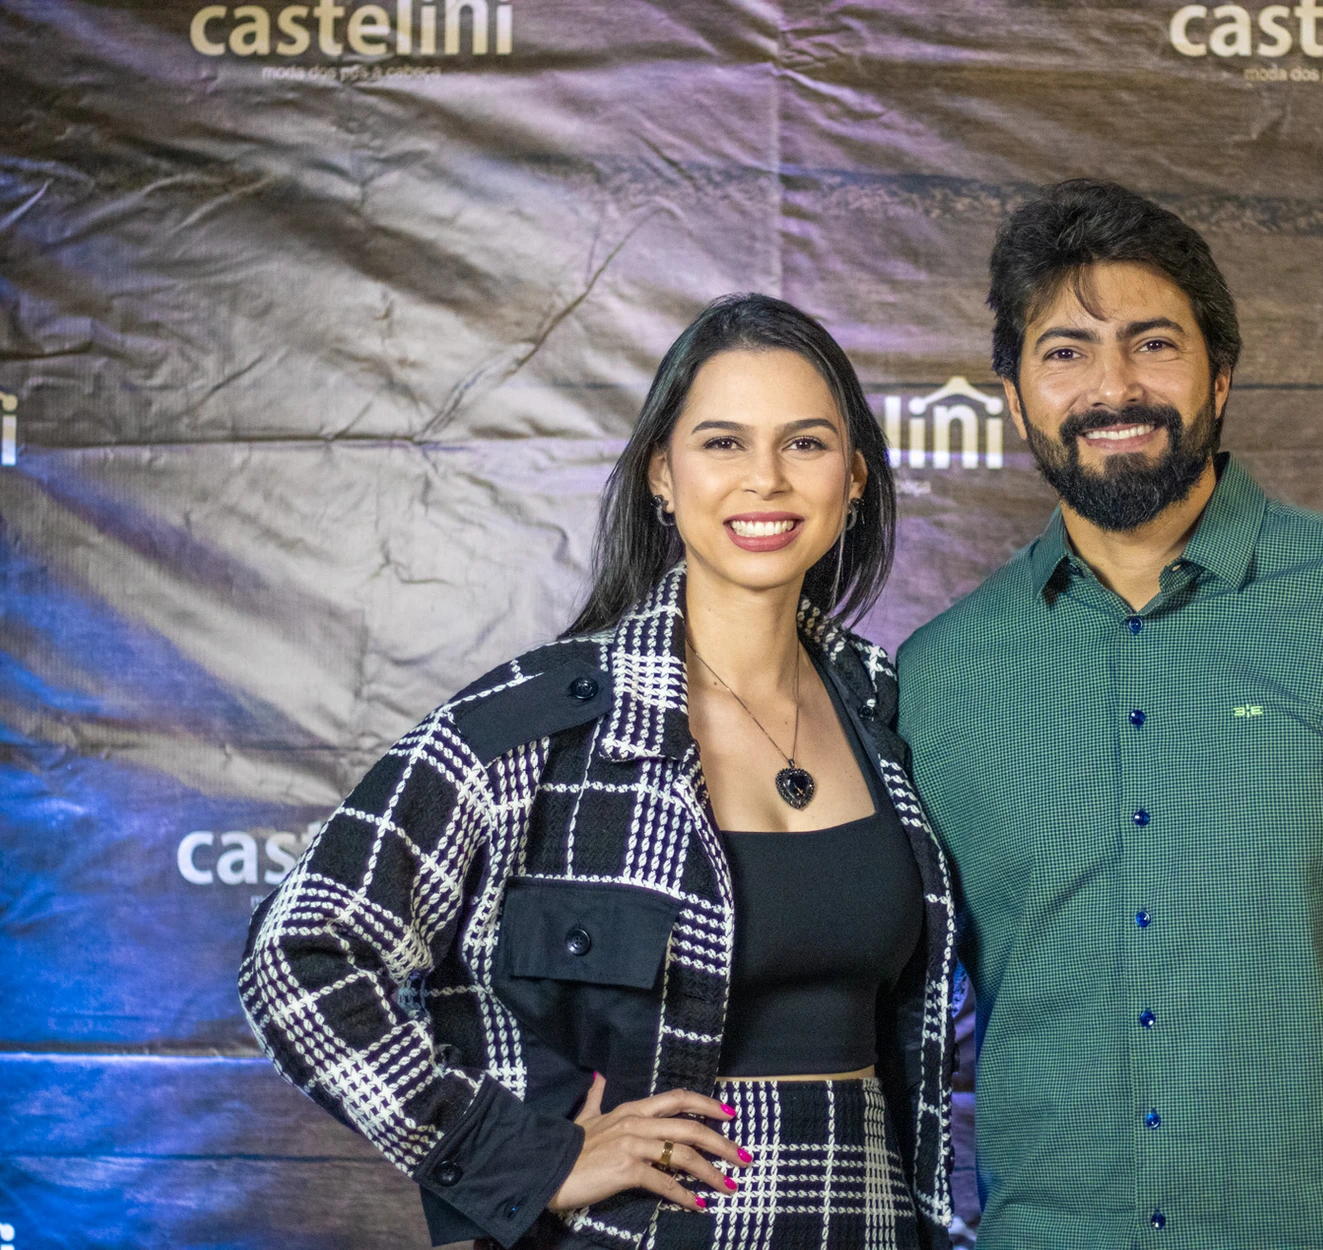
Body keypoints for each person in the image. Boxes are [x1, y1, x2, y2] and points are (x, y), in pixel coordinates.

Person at [897, 180, 1323, 1249]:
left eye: (1152, 344)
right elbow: (876, 997)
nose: (1113, 387)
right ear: (1013, 394)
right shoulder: (940, 674)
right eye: (1066, 352)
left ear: (1220, 373)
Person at [239, 294, 956, 1250]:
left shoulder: (886, 705)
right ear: (662, 473)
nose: (766, 479)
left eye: (806, 443)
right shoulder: (540, 721)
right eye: (723, 443)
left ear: (854, 476)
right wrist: (519, 1156)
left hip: (869, 1221)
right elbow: (296, 953)